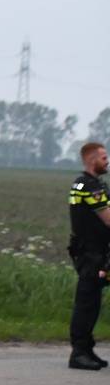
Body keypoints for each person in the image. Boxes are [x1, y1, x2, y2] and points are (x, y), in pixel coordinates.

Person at [68, 141, 110, 371]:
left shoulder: (92, 184)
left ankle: (87, 349)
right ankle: (79, 353)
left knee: (92, 303)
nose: (107, 161)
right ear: (92, 160)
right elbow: (108, 219)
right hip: (91, 253)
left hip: (94, 252)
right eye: (103, 158)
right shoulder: (88, 186)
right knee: (86, 303)